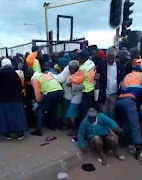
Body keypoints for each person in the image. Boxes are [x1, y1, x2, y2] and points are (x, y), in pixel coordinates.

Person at [116, 59, 142, 164]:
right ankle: (139, 148)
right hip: (129, 102)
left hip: (119, 101)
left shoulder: (127, 77)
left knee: (126, 122)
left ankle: (123, 141)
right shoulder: (140, 76)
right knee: (135, 125)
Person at [24, 68, 63, 135]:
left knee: (40, 109)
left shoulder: (34, 78)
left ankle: (38, 130)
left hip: (51, 92)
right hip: (60, 91)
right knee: (53, 109)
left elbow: (37, 92)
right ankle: (53, 126)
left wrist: (38, 102)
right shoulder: (41, 74)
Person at [0, 58, 27, 139]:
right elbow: (20, 86)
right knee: (17, 116)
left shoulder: (0, 73)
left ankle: (7, 133)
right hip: (16, 99)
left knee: (5, 117)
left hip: (3, 100)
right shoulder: (14, 73)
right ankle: (19, 133)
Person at [70, 50, 95, 120]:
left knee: (85, 110)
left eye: (79, 58)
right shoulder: (91, 63)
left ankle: (84, 127)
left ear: (83, 59)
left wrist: (71, 77)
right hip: (91, 88)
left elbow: (76, 79)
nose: (78, 59)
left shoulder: (83, 69)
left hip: (86, 90)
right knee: (89, 109)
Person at [98, 47, 123, 119]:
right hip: (104, 92)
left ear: (115, 57)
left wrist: (122, 81)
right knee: (104, 112)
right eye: (109, 58)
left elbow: (122, 76)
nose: (110, 60)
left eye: (112, 58)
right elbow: (97, 75)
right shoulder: (101, 64)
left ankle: (112, 128)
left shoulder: (119, 66)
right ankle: (105, 129)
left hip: (114, 93)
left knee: (112, 112)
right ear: (106, 56)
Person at [66, 60, 84, 136]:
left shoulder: (80, 75)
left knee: (71, 113)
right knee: (74, 114)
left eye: (71, 68)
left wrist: (72, 85)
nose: (70, 70)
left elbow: (83, 85)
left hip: (78, 96)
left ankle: (76, 129)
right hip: (74, 96)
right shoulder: (72, 75)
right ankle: (76, 128)